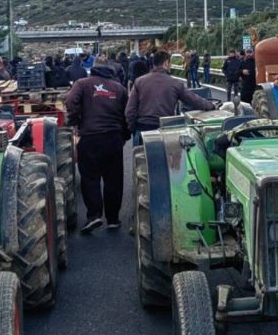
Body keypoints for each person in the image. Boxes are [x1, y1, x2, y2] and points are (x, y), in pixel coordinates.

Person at [64, 58, 129, 233]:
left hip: (90, 137)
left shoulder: (82, 84)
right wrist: (124, 134)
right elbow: (127, 114)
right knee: (113, 180)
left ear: (93, 69)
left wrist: (75, 120)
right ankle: (113, 219)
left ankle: (94, 216)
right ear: (110, 71)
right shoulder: (120, 89)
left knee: (90, 178)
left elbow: (70, 102)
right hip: (113, 137)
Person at [127, 51, 215, 140]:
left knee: (140, 152)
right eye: (170, 63)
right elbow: (194, 100)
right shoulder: (175, 83)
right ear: (166, 63)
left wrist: (134, 127)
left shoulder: (139, 81)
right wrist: (211, 106)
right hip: (164, 129)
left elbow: (130, 110)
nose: (170, 66)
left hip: (142, 128)